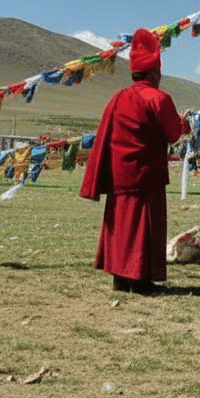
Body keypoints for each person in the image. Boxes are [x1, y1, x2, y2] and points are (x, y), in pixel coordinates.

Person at [80, 28, 184, 295]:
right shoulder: (159, 98)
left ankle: (119, 278)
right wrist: (184, 123)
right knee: (142, 228)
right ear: (155, 73)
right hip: (146, 174)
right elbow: (173, 133)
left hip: (119, 174)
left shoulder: (117, 98)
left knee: (121, 226)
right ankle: (140, 280)